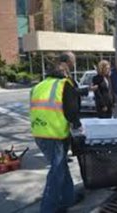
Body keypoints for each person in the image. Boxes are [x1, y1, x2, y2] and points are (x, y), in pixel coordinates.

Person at [30, 59, 83, 212]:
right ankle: (48, 208)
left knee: (60, 167)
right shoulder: (64, 84)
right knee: (56, 172)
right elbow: (71, 110)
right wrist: (78, 127)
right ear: (64, 72)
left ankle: (68, 198)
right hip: (56, 134)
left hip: (39, 133)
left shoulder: (38, 86)